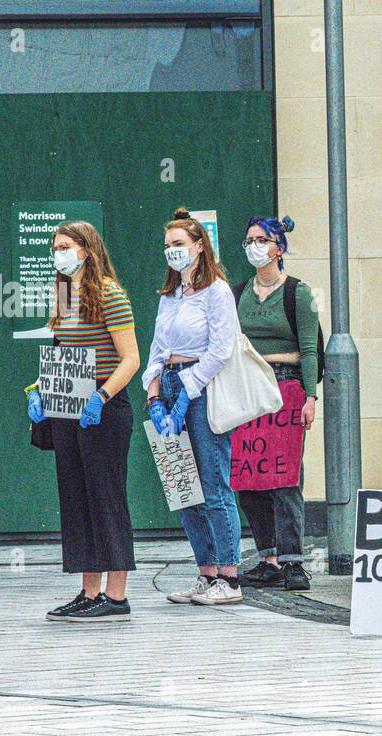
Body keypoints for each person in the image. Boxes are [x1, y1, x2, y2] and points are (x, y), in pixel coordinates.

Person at [27, 221, 140, 622]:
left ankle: (116, 593)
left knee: (106, 496)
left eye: (65, 246)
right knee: (76, 497)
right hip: (66, 403)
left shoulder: (109, 293)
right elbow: (61, 349)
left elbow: (130, 358)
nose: (58, 254)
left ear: (87, 250)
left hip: (102, 406)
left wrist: (103, 395)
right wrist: (38, 389)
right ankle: (88, 590)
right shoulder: (62, 292)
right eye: (55, 247)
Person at [142, 208, 242, 607]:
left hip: (201, 387)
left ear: (200, 247)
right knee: (183, 488)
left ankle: (230, 578)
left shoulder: (216, 291)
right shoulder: (171, 295)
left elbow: (221, 348)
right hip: (167, 385)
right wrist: (154, 395)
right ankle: (206, 571)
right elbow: (156, 348)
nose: (173, 252)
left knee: (214, 485)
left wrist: (187, 391)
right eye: (168, 246)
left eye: (179, 244)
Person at [230, 214, 318, 593]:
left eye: (262, 239)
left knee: (285, 477)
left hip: (287, 387)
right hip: (248, 388)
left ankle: (293, 562)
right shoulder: (239, 293)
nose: (255, 246)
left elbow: (311, 347)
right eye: (250, 239)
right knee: (248, 477)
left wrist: (311, 396)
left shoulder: (298, 292)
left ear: (279, 248)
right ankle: (267, 559)